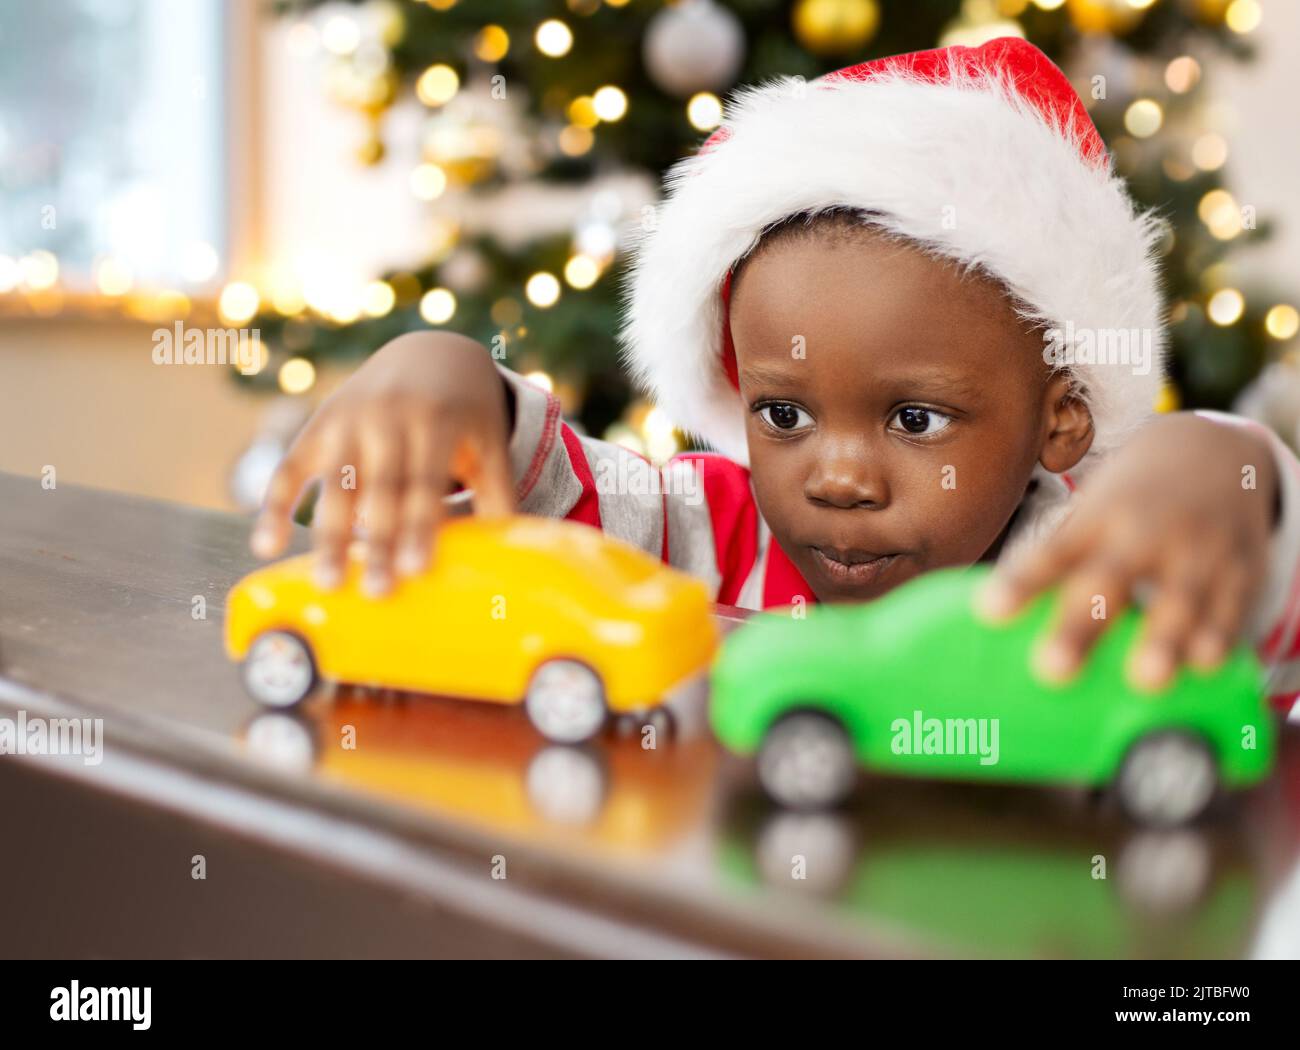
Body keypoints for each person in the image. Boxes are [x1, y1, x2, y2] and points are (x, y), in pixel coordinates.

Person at [250, 38, 1300, 711]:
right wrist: (439, 372)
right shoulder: (706, 531)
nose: (836, 476)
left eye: (916, 417)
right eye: (785, 412)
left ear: (1059, 423)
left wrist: (1226, 472)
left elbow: (1253, 614)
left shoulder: (1080, 570)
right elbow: (540, 483)